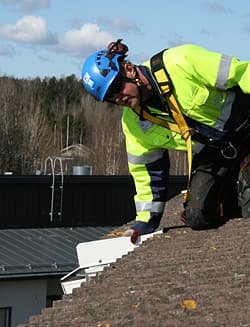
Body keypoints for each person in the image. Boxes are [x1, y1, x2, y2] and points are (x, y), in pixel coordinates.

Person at [81, 39, 250, 243]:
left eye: (117, 86)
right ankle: (238, 185)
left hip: (246, 125)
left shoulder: (182, 61)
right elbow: (147, 173)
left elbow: (242, 73)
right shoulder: (134, 124)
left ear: (128, 69)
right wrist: (144, 222)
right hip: (216, 152)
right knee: (197, 216)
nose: (118, 98)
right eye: (110, 98)